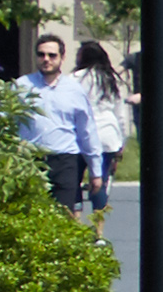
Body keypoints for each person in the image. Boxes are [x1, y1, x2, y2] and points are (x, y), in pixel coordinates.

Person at [10, 41, 91, 214]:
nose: (46, 59)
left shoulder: (74, 90)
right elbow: (6, 119)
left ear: (62, 57)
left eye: (52, 55)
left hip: (65, 159)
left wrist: (95, 169)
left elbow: (86, 131)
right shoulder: (21, 86)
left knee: (63, 214)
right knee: (32, 214)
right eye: (41, 54)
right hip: (31, 159)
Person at [70, 44, 126, 217]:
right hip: (107, 135)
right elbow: (120, 114)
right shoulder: (111, 79)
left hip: (80, 135)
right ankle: (98, 231)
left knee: (74, 181)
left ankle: (76, 225)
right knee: (99, 182)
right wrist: (121, 141)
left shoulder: (73, 79)